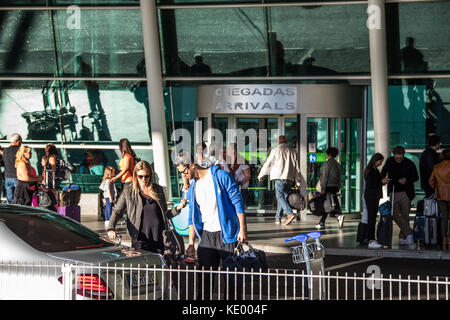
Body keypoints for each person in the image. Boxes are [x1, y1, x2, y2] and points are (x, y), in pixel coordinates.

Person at [174, 152, 247, 299]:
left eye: (184, 172)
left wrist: (242, 230)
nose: (184, 177)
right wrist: (190, 243)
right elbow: (192, 217)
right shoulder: (194, 186)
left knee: (231, 280)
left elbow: (238, 204)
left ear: (192, 165)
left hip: (225, 234)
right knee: (204, 281)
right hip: (206, 236)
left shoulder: (221, 177)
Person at [107, 161, 186, 254]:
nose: (143, 179)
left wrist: (177, 209)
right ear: (136, 176)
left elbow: (165, 215)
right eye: (140, 176)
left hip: (159, 237)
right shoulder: (128, 191)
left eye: (146, 176)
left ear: (150, 176)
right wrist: (111, 228)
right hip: (140, 238)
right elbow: (117, 211)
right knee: (143, 265)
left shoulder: (158, 190)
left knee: (159, 265)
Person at [258, 135, 302, 225]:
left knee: (279, 197)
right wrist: (297, 181)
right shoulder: (292, 151)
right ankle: (278, 218)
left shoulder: (275, 150)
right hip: (289, 178)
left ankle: (289, 214)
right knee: (284, 198)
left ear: (279, 142)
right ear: (286, 141)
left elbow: (268, 163)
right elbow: (297, 168)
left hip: (279, 177)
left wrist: (261, 174)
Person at [381, 146, 419, 245]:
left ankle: (403, 237)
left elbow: (416, 177)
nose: (398, 160)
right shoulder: (389, 161)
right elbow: (383, 173)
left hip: (406, 192)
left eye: (400, 158)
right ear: (394, 155)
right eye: (397, 158)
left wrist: (406, 180)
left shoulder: (409, 163)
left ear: (403, 155)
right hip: (393, 192)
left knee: (405, 215)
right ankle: (410, 232)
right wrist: (384, 181)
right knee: (394, 214)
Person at [363, 153, 391, 249]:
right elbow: (372, 184)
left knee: (372, 217)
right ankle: (370, 239)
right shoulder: (371, 171)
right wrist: (381, 182)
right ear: (375, 160)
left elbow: (374, 183)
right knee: (372, 217)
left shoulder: (373, 170)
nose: (380, 163)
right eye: (380, 161)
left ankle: (369, 238)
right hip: (371, 196)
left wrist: (382, 182)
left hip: (373, 196)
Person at [315, 147, 345, 230]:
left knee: (327, 205)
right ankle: (322, 222)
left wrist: (323, 188)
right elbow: (339, 177)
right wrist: (339, 186)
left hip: (327, 186)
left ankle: (338, 216)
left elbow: (325, 177)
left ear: (328, 154)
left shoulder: (326, 164)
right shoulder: (338, 164)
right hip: (335, 186)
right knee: (328, 205)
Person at [428, 149, 450, 250]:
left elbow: (431, 181)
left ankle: (444, 240)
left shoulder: (437, 167)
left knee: (444, 217)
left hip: (441, 195)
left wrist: (437, 189)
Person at [221, 144, 251, 209]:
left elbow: (248, 175)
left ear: (233, 150)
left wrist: (240, 184)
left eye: (228, 149)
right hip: (228, 187)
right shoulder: (225, 160)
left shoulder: (242, 160)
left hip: (241, 189)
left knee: (239, 208)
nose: (227, 151)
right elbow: (222, 172)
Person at [2, 134, 22, 203]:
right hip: (17, 177)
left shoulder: (5, 151)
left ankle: (8, 212)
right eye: (20, 141)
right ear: (17, 141)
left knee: (9, 199)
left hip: (7, 177)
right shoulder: (19, 151)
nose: (21, 143)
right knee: (19, 198)